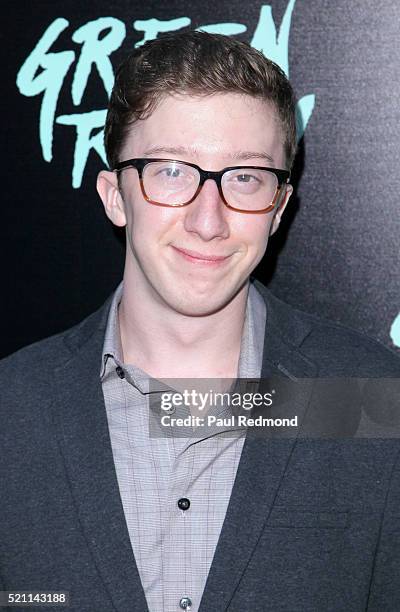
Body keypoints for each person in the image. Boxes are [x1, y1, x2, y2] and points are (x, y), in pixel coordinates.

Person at [1, 30, 400, 612]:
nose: (208, 221)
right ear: (116, 195)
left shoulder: (378, 399)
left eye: (245, 177)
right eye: (171, 172)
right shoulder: (12, 408)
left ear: (279, 207)